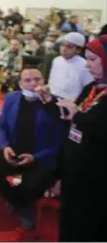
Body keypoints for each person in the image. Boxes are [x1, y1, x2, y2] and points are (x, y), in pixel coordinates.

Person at [37, 35, 107, 241]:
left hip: (96, 178)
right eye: (87, 60)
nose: (88, 66)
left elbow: (97, 130)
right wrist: (50, 102)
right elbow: (71, 118)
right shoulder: (93, 89)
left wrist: (78, 116)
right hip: (75, 169)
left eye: (93, 60)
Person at [0, 67, 62, 231]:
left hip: (41, 156)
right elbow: (2, 126)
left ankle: (24, 206)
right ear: (20, 84)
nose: (33, 83)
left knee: (33, 184)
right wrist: (5, 146)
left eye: (37, 79)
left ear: (44, 81)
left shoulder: (54, 103)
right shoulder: (12, 98)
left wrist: (36, 157)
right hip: (13, 150)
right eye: (27, 80)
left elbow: (58, 140)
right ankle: (21, 202)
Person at [48, 32, 94, 104]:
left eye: (69, 47)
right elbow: (52, 81)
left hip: (70, 103)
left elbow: (88, 89)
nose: (64, 49)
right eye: (62, 45)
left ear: (78, 50)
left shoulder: (85, 65)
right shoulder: (56, 60)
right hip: (51, 99)